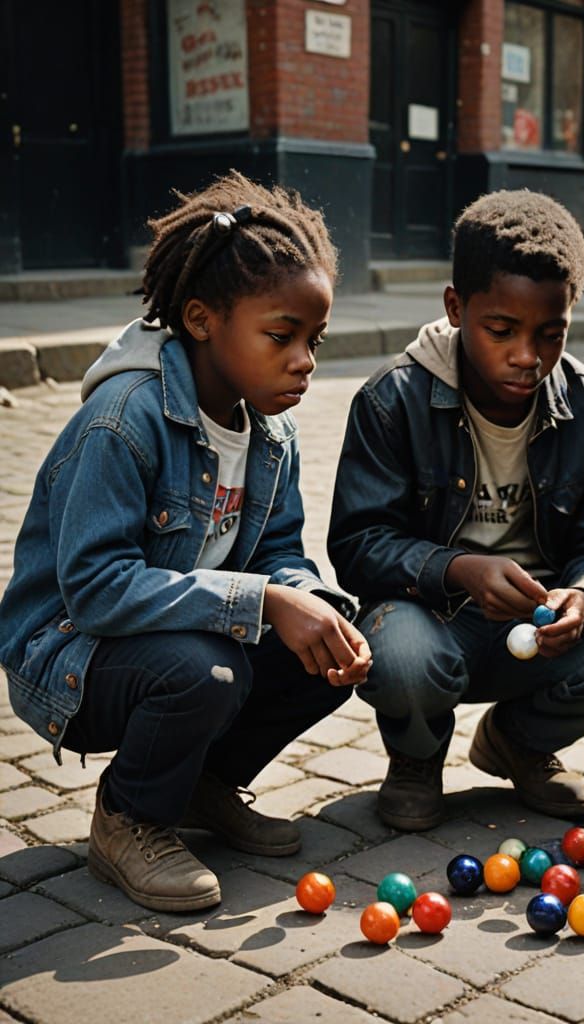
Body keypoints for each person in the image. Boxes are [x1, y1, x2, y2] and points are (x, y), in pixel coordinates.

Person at [0, 171, 372, 912]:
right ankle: (130, 819)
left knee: (325, 645)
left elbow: (279, 551)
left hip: (182, 636)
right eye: (282, 336)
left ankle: (202, 784)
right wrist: (263, 600)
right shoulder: (123, 422)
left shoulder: (272, 431)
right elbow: (98, 589)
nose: (305, 360)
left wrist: (308, 601)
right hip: (71, 653)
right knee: (207, 672)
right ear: (202, 319)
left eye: (314, 340)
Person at [328, 190, 584, 831]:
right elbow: (357, 544)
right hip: (429, 615)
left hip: (532, 626)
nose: (527, 356)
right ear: (456, 308)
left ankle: (520, 743)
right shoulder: (393, 400)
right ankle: (417, 759)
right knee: (404, 656)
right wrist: (458, 569)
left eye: (550, 334)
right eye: (501, 331)